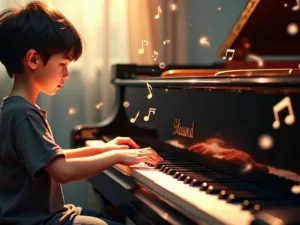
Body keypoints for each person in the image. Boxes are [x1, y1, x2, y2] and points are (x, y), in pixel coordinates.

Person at [0, 1, 162, 225]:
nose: (66, 74)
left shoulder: (18, 109)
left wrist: (105, 147)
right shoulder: (23, 115)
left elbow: (52, 159)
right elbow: (62, 171)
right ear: (33, 59)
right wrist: (116, 156)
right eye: (63, 64)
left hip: (50, 215)